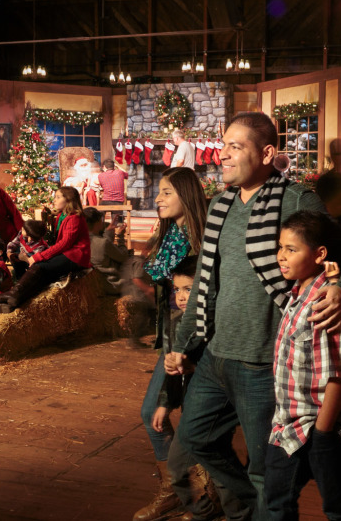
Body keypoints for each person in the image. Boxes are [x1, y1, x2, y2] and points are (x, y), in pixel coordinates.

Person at [163, 111, 341, 521]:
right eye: (223, 146)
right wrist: (184, 346)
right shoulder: (219, 205)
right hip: (217, 356)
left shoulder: (296, 199)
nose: (222, 155)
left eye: (235, 147)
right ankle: (246, 513)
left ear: (268, 153)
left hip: (263, 364)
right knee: (194, 437)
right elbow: (204, 282)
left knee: (265, 470)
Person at [264, 211, 341, 521]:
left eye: (291, 249)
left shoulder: (323, 306)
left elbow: (339, 375)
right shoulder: (298, 295)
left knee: (339, 507)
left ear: (320, 253)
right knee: (278, 498)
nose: (282, 257)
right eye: (280, 247)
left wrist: (323, 436)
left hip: (317, 428)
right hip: (291, 424)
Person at [133, 167, 213, 521]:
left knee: (161, 413)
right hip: (174, 337)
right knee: (165, 415)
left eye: (166, 192)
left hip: (194, 341)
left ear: (186, 195)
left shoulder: (199, 241)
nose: (158, 198)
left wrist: (189, 350)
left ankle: (191, 492)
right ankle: (190, 490)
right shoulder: (171, 237)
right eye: (159, 192)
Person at [5, 187, 91, 309]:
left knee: (40, 266)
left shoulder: (74, 218)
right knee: (44, 273)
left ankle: (14, 294)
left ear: (69, 200)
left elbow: (64, 244)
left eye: (58, 197)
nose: (54, 200)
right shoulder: (63, 216)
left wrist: (39, 256)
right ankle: (15, 300)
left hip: (76, 256)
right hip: (67, 254)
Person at [83, 207, 129, 295]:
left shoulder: (81, 239)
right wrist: (120, 237)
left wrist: (108, 231)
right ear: (97, 222)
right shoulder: (103, 242)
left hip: (95, 284)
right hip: (112, 284)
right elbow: (123, 257)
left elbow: (101, 246)